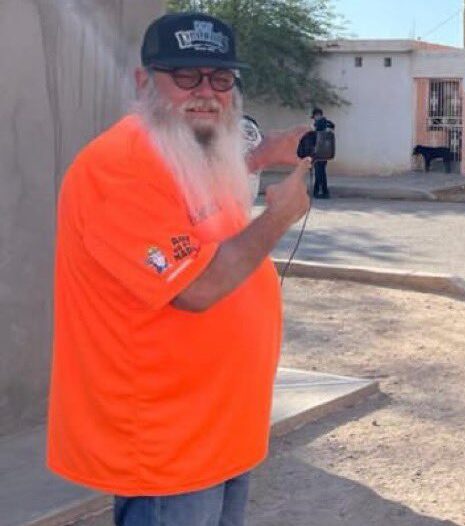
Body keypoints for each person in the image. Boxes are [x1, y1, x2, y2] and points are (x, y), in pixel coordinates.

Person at [46, 12, 311, 526]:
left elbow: (196, 206)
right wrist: (278, 217)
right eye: (185, 76)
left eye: (221, 79)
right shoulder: (118, 168)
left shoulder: (185, 149)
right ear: (144, 81)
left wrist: (262, 154)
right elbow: (198, 288)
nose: (206, 93)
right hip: (168, 446)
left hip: (219, 429)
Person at [310, 107, 335, 198]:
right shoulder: (328, 124)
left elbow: (316, 138)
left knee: (319, 173)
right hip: (325, 153)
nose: (314, 119)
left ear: (318, 115)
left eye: (314, 117)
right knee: (321, 172)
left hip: (318, 152)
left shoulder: (319, 124)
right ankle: (319, 191)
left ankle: (323, 192)